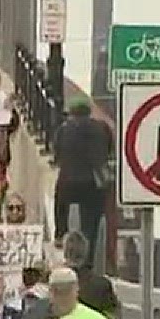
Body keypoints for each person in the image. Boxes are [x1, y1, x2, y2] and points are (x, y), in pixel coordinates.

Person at [51, 99, 113, 246]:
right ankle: (89, 245)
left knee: (60, 203)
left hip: (68, 181)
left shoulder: (63, 129)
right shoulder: (102, 128)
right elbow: (108, 150)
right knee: (91, 218)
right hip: (93, 181)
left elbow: (57, 154)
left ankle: (60, 234)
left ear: (71, 114)